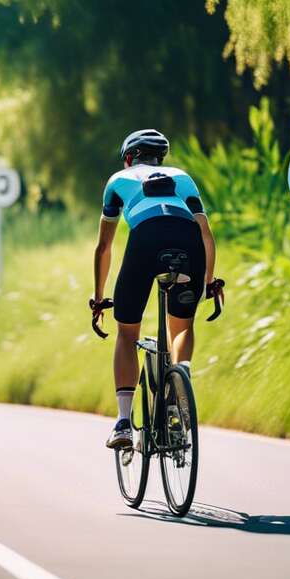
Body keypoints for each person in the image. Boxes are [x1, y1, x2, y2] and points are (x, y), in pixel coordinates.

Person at [90, 129, 222, 449]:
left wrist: (98, 298)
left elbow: (103, 248)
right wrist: (208, 280)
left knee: (127, 333)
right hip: (188, 242)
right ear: (160, 157)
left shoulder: (118, 181)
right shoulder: (182, 177)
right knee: (182, 327)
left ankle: (123, 423)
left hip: (145, 240)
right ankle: (181, 378)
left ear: (129, 158)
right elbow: (206, 234)